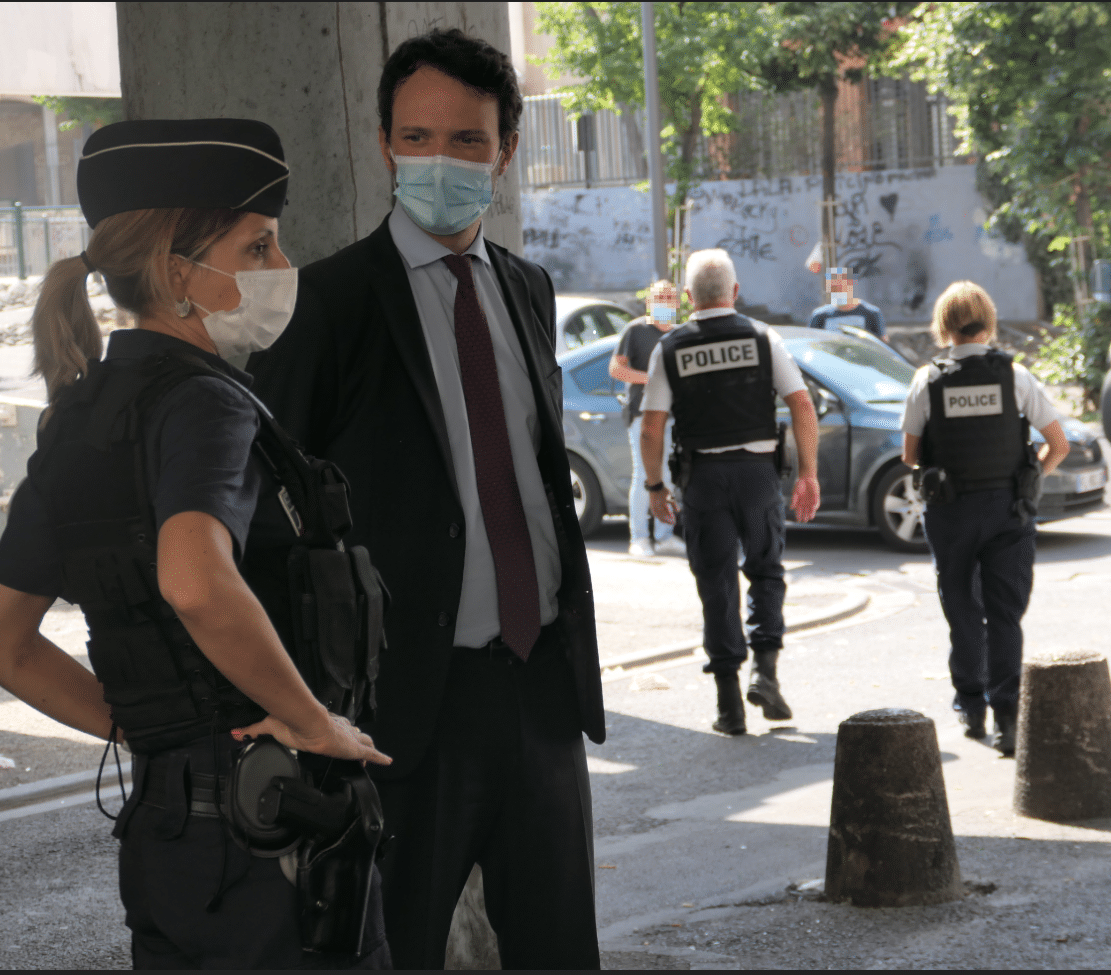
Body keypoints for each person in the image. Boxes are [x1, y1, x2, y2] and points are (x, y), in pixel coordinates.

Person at [0, 118, 393, 969]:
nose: (282, 267)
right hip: (271, 830)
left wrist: (162, 738)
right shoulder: (206, 401)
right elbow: (194, 579)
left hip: (173, 837)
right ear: (178, 274)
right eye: (259, 245)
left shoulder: (84, 412)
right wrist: (315, 725)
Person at [246, 28, 604, 970]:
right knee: (389, 950)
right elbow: (262, 515)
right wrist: (302, 701)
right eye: (416, 138)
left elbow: (528, 472)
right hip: (403, 710)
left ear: (506, 151)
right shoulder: (326, 304)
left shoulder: (527, 288)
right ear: (382, 144)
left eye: (466, 141)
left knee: (561, 948)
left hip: (539, 691)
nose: (438, 160)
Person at [640, 249, 821, 736]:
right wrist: (808, 474)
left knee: (715, 584)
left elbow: (652, 427)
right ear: (735, 293)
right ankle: (765, 673)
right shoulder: (763, 337)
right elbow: (802, 406)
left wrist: (655, 485)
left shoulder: (670, 347)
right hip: (758, 475)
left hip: (703, 480)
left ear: (688, 299)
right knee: (766, 570)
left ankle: (729, 707)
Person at [900, 281, 1068, 756]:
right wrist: (1033, 473)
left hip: (951, 512)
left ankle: (971, 707)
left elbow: (909, 456)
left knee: (963, 612)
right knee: (1005, 615)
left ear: (944, 326)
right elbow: (1060, 443)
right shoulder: (1015, 376)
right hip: (1007, 511)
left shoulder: (926, 380)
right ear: (988, 322)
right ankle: (1008, 719)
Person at [610, 279, 688, 557]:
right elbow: (617, 369)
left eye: (669, 297)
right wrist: (652, 380)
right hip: (642, 415)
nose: (665, 302)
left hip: (673, 416)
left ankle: (664, 535)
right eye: (659, 298)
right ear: (649, 303)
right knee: (644, 475)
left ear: (677, 303)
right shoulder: (636, 330)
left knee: (668, 475)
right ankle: (639, 538)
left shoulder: (680, 334)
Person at [808, 266, 889, 342]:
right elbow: (811, 345)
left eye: (842, 286)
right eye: (834, 286)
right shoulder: (819, 316)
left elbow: (882, 345)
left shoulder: (871, 313)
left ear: (851, 286)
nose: (838, 290)